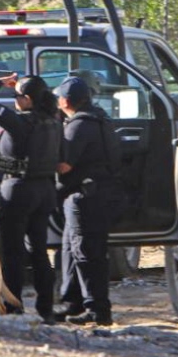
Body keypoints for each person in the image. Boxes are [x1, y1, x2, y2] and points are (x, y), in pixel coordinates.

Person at [0, 73, 61, 322]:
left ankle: (14, 306)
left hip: (18, 190)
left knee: (13, 252)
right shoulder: (54, 121)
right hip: (44, 190)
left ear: (27, 99)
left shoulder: (19, 122)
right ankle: (45, 308)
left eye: (17, 96)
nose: (14, 100)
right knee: (39, 251)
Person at [54, 75, 120, 326]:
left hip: (86, 197)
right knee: (70, 250)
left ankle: (97, 309)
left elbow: (64, 165)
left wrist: (39, 161)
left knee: (86, 252)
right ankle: (73, 302)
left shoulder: (78, 126)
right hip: (95, 194)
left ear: (67, 100)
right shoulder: (100, 119)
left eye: (59, 97)